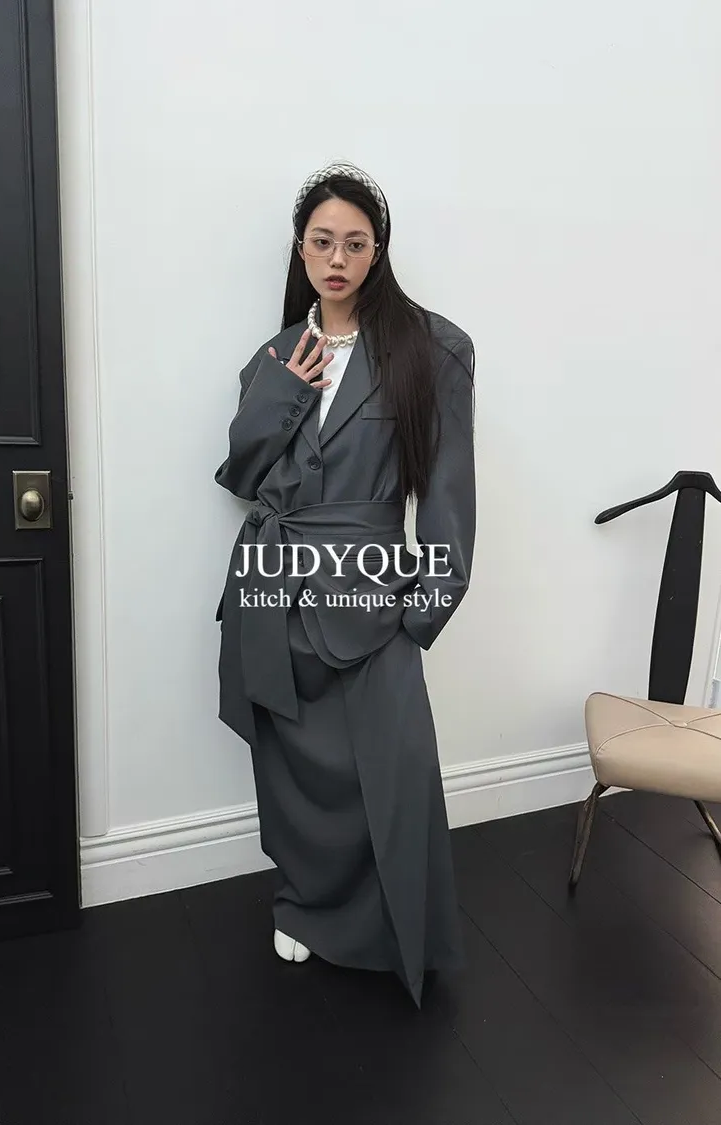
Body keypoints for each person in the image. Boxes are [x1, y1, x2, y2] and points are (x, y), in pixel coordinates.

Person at [214, 160, 476, 1009]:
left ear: (377, 251)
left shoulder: (432, 349)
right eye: (322, 242)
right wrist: (284, 391)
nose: (337, 258)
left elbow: (447, 489)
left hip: (372, 597)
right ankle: (303, 904)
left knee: (390, 773)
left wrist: (425, 607)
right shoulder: (272, 356)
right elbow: (242, 475)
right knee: (293, 773)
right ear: (301, 249)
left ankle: (388, 927)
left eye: (354, 243)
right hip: (276, 591)